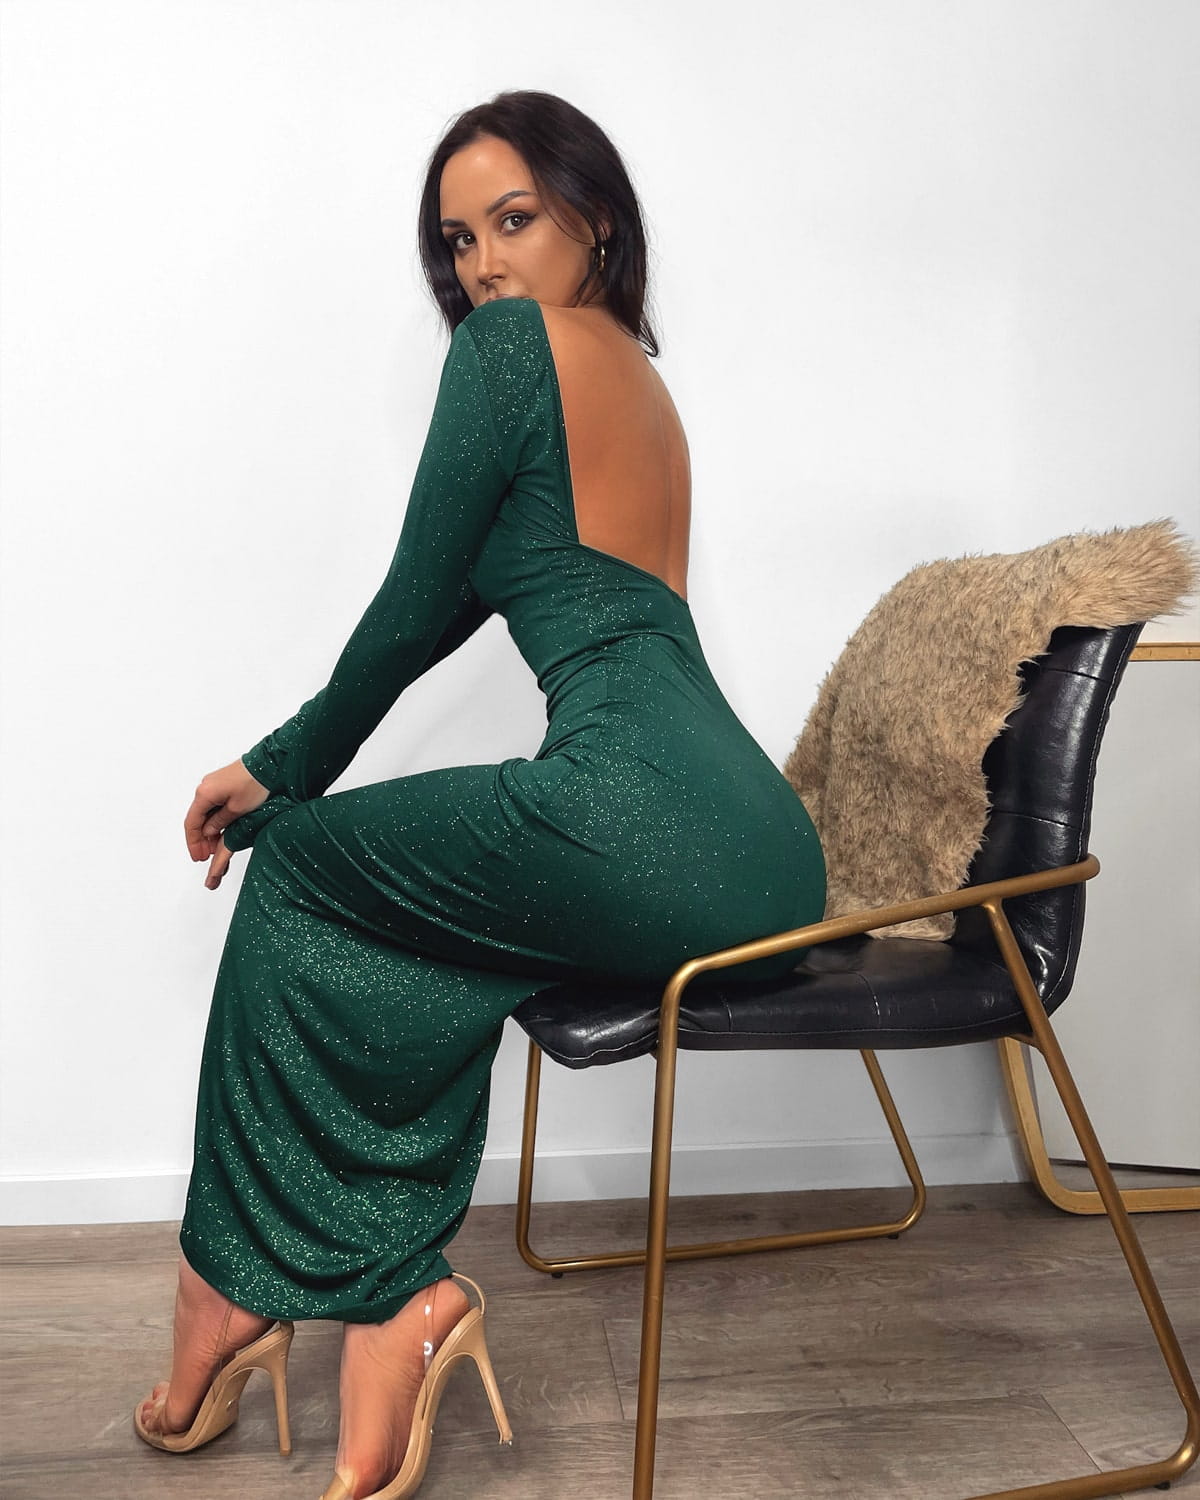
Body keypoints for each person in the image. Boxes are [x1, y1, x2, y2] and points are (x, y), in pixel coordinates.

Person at [133, 90, 826, 1500]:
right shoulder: (639, 386)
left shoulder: (512, 352)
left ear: (597, 220)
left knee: (301, 869)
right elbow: (459, 602)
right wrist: (284, 765)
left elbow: (409, 601)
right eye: (457, 242)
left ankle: (274, 1290)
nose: (484, 267)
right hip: (765, 852)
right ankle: (358, 1296)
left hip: (637, 810)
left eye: (513, 220)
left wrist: (284, 775)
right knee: (410, 916)